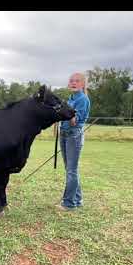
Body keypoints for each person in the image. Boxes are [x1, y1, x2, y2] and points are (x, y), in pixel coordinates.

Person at [57, 72, 91, 210]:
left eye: (77, 81)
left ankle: (69, 204)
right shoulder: (70, 98)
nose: (73, 83)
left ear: (82, 84)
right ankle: (77, 199)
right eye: (71, 81)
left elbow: (74, 122)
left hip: (73, 135)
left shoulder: (82, 99)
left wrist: (67, 113)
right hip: (64, 134)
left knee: (71, 170)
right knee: (70, 169)